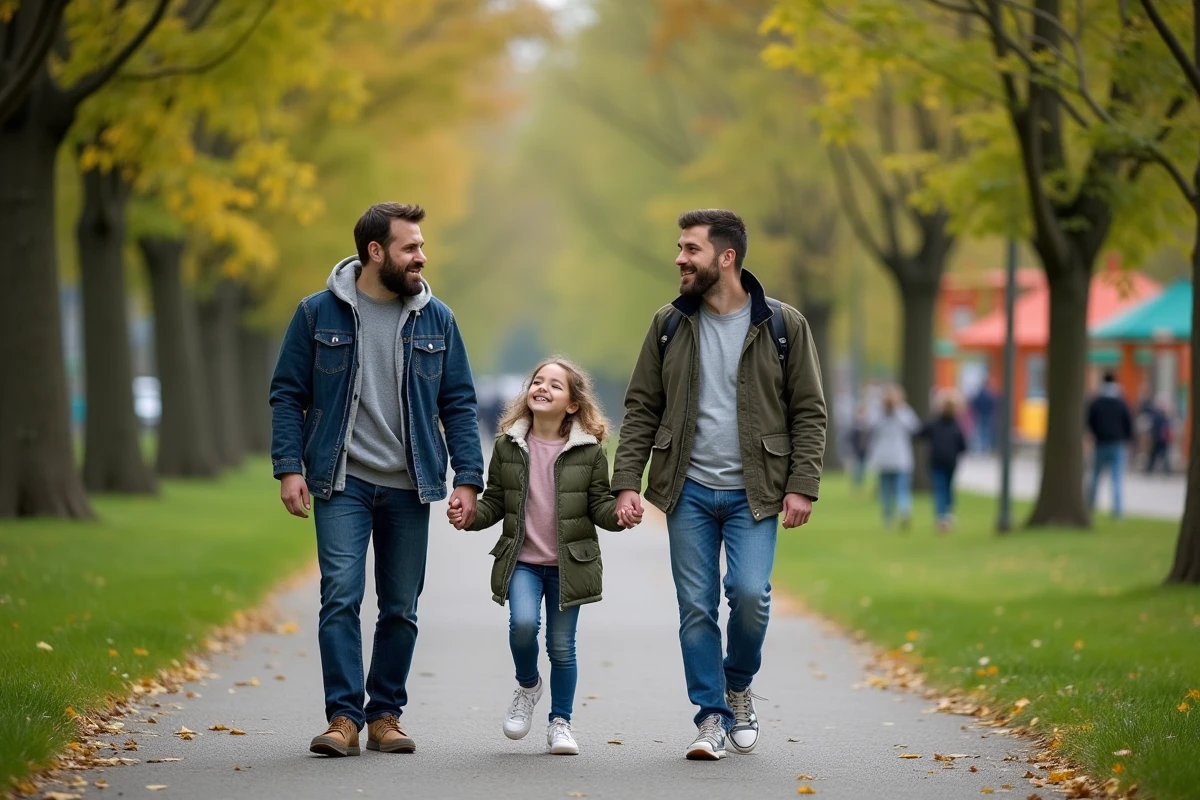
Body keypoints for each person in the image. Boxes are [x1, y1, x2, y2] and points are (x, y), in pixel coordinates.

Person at [270, 203, 485, 757]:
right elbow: (288, 393)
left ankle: (385, 714)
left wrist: (468, 478)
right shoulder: (317, 314)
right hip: (341, 481)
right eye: (410, 247)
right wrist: (289, 467)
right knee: (340, 596)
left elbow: (459, 404)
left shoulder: (438, 318)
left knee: (400, 605)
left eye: (421, 246)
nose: (422, 257)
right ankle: (343, 717)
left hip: (409, 484)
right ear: (375, 252)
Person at [611, 209, 828, 761]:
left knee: (751, 597)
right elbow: (640, 408)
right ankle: (710, 716)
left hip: (755, 492)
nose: (680, 259)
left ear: (725, 258)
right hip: (686, 490)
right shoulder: (668, 323)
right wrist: (626, 483)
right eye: (681, 249)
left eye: (691, 249)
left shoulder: (784, 324)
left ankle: (738, 685)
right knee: (696, 607)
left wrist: (802, 484)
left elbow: (809, 410)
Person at [449, 358, 637, 756]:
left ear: (572, 404)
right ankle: (528, 684)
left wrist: (620, 516)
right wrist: (470, 516)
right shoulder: (508, 445)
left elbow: (600, 505)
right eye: (538, 381)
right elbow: (496, 502)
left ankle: (561, 723)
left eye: (555, 385)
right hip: (523, 561)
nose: (543, 388)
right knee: (522, 625)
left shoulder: (588, 451)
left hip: (571, 565)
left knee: (562, 646)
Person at [868, 385, 920, 530]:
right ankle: (904, 510)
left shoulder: (882, 413)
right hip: (900, 458)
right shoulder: (903, 411)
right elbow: (914, 428)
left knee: (886, 491)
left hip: (885, 458)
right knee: (901, 489)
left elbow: (870, 427)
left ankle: (888, 518)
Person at [1086, 372, 1133, 519]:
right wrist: (1127, 438)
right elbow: (1128, 422)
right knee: (1117, 478)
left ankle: (1090, 506)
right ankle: (1118, 512)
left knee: (1095, 477)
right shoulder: (1121, 401)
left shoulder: (1097, 401)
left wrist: (1095, 433)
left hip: (1100, 443)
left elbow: (1089, 421)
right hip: (1117, 444)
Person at [919, 390, 968, 532]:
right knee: (948, 487)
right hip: (951, 461)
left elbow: (920, 433)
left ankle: (941, 516)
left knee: (940, 488)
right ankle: (948, 513)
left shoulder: (934, 423)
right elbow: (963, 445)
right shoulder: (956, 425)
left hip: (936, 461)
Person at [1145, 395, 1173, 474]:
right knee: (1157, 454)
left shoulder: (1163, 415)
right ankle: (1151, 469)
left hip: (1161, 438)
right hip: (1159, 437)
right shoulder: (1160, 415)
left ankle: (1164, 469)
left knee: (1161, 454)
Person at [848, 403, 872, 489]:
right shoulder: (856, 425)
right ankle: (856, 483)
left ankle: (860, 483)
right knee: (858, 467)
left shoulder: (867, 424)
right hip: (858, 450)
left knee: (862, 467)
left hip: (864, 449)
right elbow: (852, 438)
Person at [969, 380, 997, 453]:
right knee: (986, 432)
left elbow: (974, 403)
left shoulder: (980, 394)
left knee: (981, 431)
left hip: (980, 415)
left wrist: (977, 411)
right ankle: (985, 448)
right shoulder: (990, 395)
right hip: (987, 415)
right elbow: (994, 404)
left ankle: (981, 448)